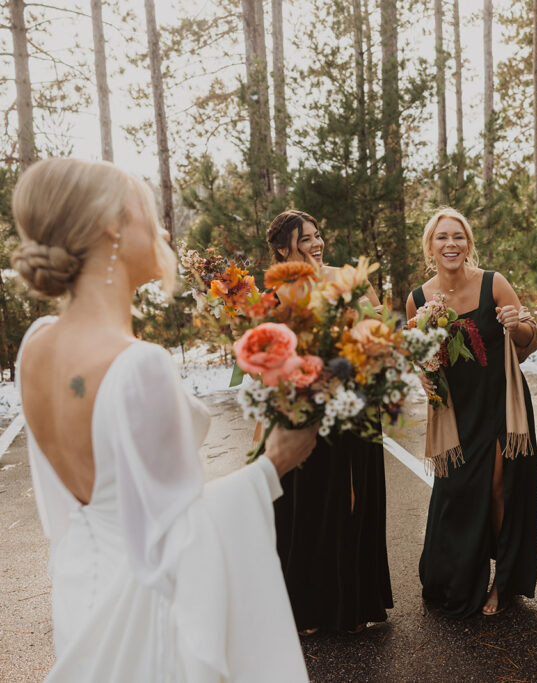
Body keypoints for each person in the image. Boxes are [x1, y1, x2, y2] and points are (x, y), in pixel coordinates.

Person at [11, 157, 316, 681]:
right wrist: (274, 465)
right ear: (111, 226)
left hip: (81, 597)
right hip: (142, 616)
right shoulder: (139, 365)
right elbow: (184, 538)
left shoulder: (36, 344)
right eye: (147, 213)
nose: (164, 230)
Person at [406, 207, 537, 617]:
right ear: (430, 246)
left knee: (500, 489)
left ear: (468, 244)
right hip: (455, 409)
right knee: (459, 493)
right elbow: (420, 356)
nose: (451, 244)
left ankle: (503, 581)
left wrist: (514, 324)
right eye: (442, 238)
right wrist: (423, 377)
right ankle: (459, 571)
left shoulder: (494, 284)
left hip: (500, 401)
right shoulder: (417, 298)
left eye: (458, 237)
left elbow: (528, 344)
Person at [265, 209, 392, 635]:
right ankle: (309, 607)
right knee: (312, 505)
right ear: (284, 249)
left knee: (354, 499)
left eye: (318, 235)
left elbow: (380, 325)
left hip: (355, 400)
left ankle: (353, 603)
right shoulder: (277, 293)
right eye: (306, 239)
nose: (317, 244)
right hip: (307, 404)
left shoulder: (348, 276)